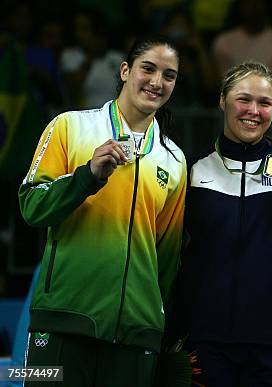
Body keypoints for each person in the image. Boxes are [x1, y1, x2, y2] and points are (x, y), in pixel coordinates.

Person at [18, 36, 187, 387]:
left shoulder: (174, 160)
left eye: (169, 75)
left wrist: (161, 330)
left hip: (137, 338)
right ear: (125, 71)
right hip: (62, 324)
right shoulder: (69, 127)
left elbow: (167, 258)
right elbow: (32, 206)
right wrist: (86, 177)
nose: (157, 82)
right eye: (148, 69)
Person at [171, 61, 272, 387]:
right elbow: (175, 253)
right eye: (243, 99)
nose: (253, 111)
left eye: (264, 103)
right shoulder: (192, 169)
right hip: (206, 338)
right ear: (222, 100)